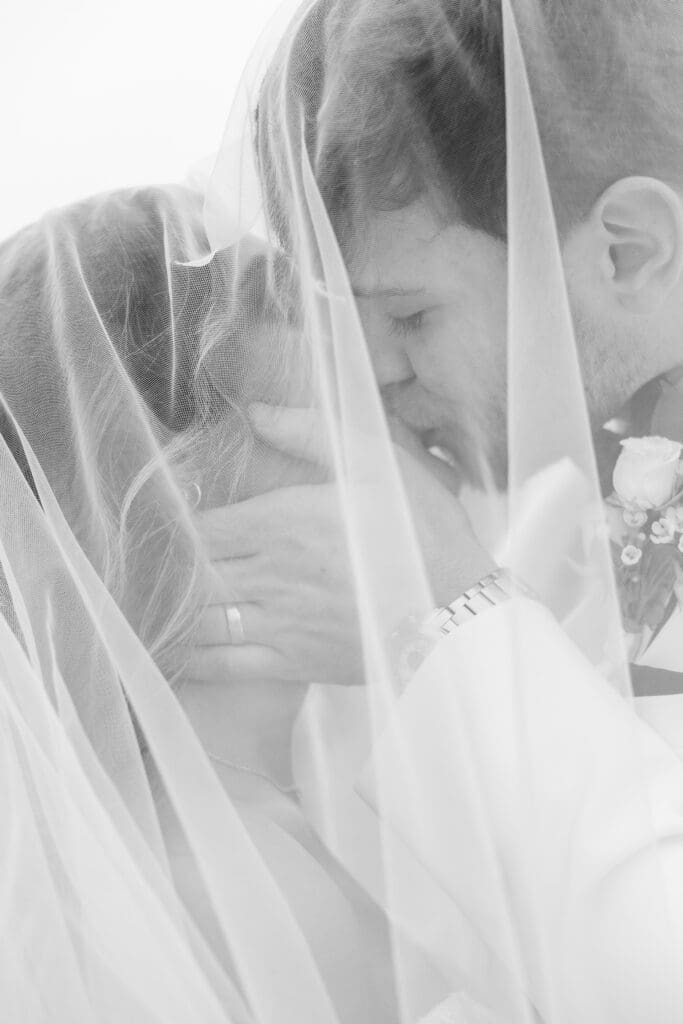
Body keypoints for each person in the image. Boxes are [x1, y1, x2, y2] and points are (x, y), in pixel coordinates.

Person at [190, 0, 683, 1020]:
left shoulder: (477, 568)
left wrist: (450, 617)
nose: (372, 374)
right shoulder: (549, 524)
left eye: (409, 314)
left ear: (627, 250)